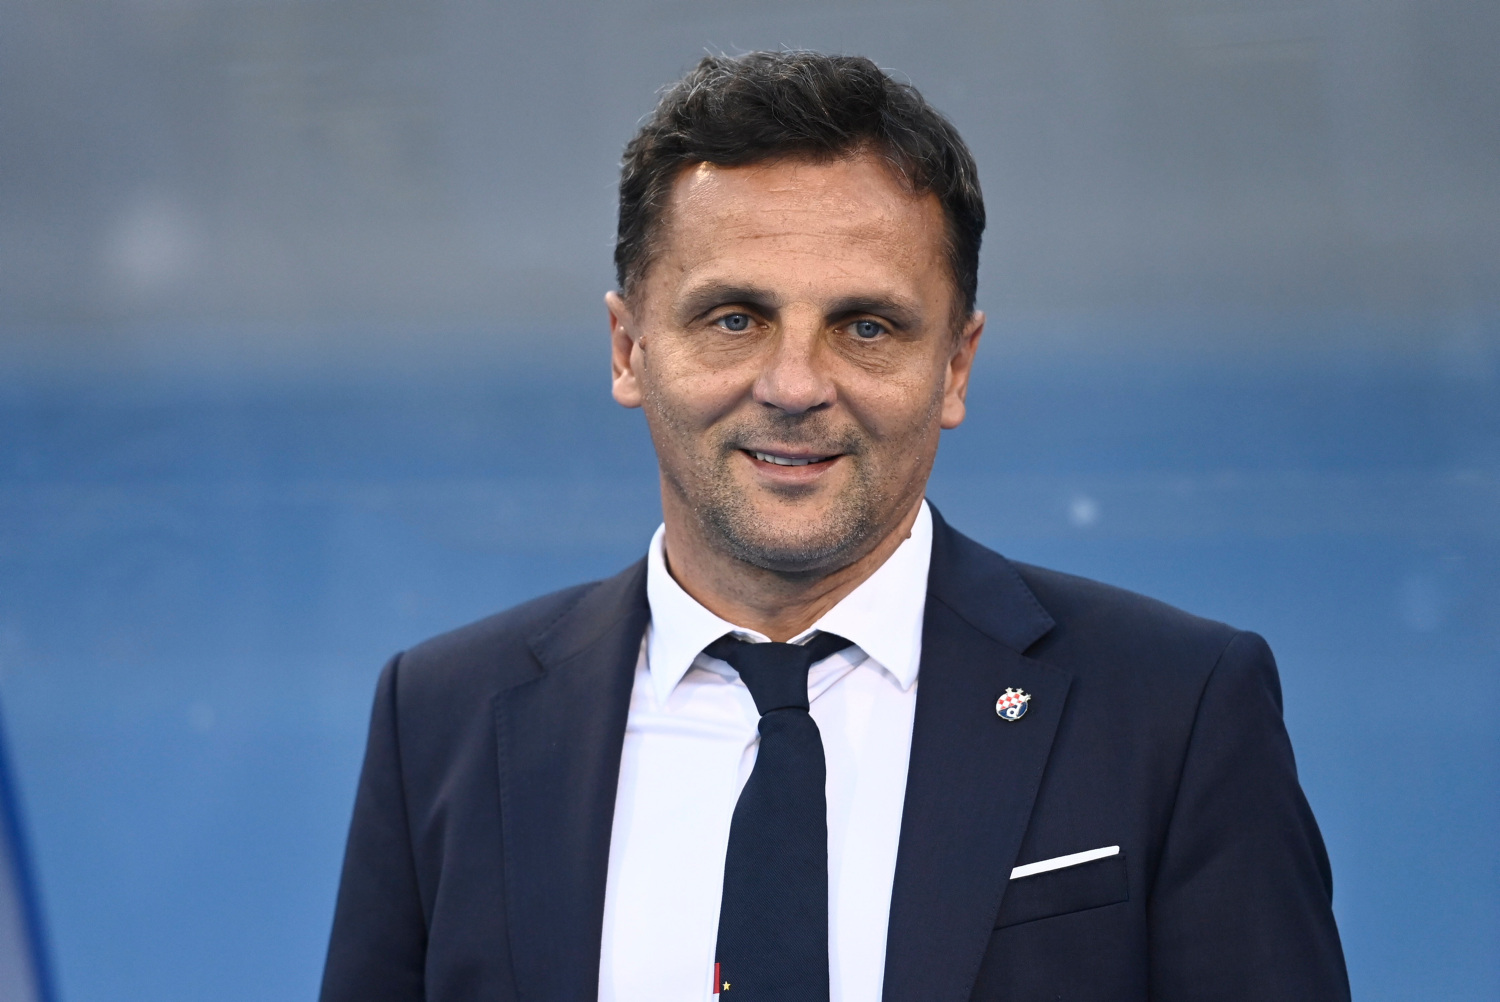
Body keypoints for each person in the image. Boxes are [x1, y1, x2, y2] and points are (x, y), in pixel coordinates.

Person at [320, 51, 1349, 1002]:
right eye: (735, 318)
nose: (795, 385)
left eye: (866, 326)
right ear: (629, 348)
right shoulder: (443, 722)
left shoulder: (1174, 709)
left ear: (955, 366)